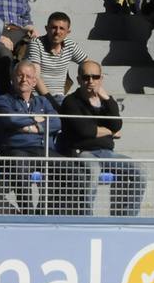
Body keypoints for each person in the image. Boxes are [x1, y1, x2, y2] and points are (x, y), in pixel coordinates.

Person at [57, 59, 145, 216]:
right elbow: (85, 131)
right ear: (78, 80)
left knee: (140, 171)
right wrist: (109, 131)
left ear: (101, 79)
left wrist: (108, 100)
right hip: (81, 151)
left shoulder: (106, 102)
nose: (91, 81)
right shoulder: (70, 102)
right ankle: (87, 219)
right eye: (86, 77)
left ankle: (127, 219)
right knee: (93, 172)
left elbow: (116, 125)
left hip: (106, 152)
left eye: (95, 77)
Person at [0, 61, 59, 215]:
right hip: (17, 150)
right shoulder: (3, 100)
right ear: (13, 79)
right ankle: (27, 214)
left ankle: (43, 215)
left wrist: (34, 127)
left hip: (43, 150)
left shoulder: (43, 101)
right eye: (20, 75)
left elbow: (57, 122)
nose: (24, 79)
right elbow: (11, 120)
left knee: (73, 170)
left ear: (34, 82)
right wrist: (34, 117)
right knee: (20, 167)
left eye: (28, 76)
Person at [25, 11, 88, 109]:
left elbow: (89, 65)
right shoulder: (36, 44)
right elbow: (35, 77)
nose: (57, 32)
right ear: (46, 28)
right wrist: (53, 103)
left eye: (62, 28)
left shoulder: (70, 46)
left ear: (68, 32)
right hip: (36, 97)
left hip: (60, 97)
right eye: (54, 27)